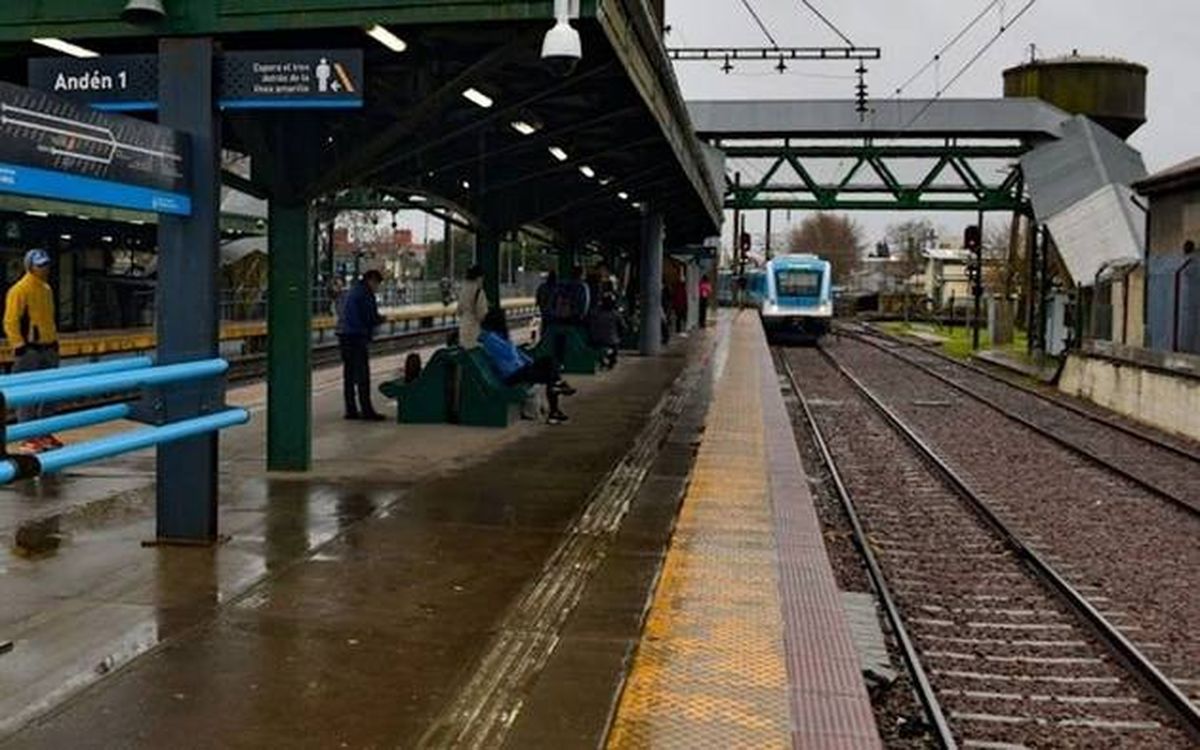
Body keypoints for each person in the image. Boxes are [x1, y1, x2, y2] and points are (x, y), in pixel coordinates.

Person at [4, 248, 61, 451]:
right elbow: (10, 320)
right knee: (27, 396)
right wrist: (19, 345)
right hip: (30, 350)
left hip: (48, 348)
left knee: (50, 395)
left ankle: (44, 433)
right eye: (39, 265)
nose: (44, 268)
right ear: (29, 266)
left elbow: (49, 319)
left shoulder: (46, 289)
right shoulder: (19, 290)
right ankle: (28, 437)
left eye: (46, 264)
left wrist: (54, 341)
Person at [478, 309, 573, 425]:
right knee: (550, 376)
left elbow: (518, 354)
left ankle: (556, 391)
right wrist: (512, 345)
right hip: (511, 375)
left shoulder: (499, 336)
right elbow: (510, 354)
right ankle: (554, 410)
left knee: (549, 361)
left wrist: (530, 362)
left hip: (520, 370)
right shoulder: (490, 338)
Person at [336, 269, 386, 421]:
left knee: (349, 374)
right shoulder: (365, 294)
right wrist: (381, 319)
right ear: (371, 280)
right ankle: (367, 411)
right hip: (356, 336)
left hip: (344, 335)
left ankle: (350, 410)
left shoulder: (353, 290)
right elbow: (369, 316)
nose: (377, 288)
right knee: (363, 375)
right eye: (377, 284)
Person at [588, 292, 624, 370]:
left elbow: (590, 324)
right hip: (611, 341)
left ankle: (602, 361)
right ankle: (611, 361)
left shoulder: (595, 312)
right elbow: (623, 327)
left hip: (596, 339)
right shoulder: (616, 314)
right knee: (616, 341)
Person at [456, 265, 490, 348]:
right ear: (478, 278)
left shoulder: (462, 289)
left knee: (465, 349)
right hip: (474, 328)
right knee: (474, 350)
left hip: (463, 325)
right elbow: (482, 314)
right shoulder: (478, 291)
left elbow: (459, 311)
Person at [535, 270, 558, 341]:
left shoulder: (542, 287)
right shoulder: (557, 287)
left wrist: (539, 305)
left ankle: (543, 338)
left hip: (544, 311)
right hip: (554, 312)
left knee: (544, 326)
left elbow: (538, 298)